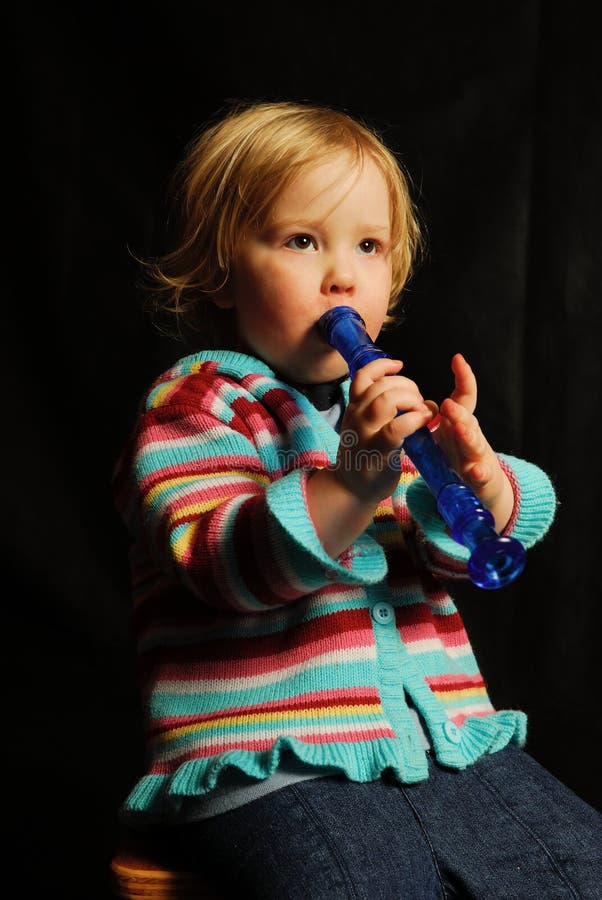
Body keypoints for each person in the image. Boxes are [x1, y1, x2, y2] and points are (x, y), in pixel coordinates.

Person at [113, 100, 601, 898]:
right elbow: (226, 566)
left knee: (579, 870)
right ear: (219, 271)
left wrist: (476, 481)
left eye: (368, 246)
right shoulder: (196, 408)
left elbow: (449, 553)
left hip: (450, 747)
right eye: (302, 240)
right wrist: (351, 480)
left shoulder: (375, 415)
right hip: (277, 765)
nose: (342, 273)